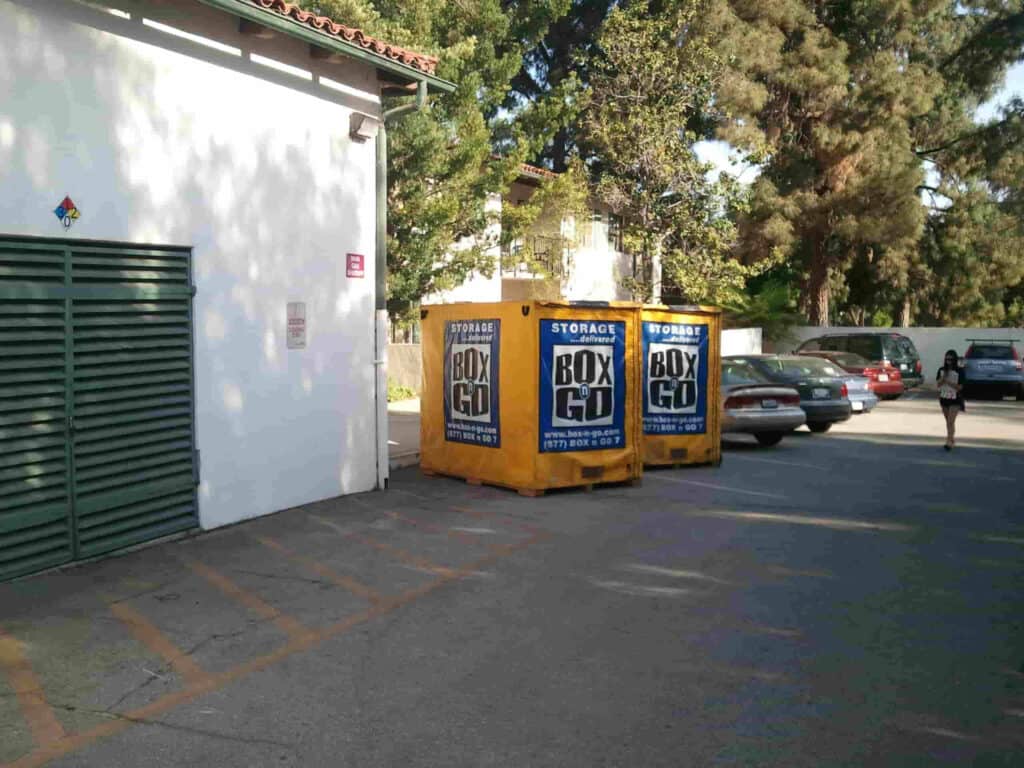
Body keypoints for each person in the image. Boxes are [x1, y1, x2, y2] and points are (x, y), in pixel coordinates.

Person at [936, 349, 964, 450]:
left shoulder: (960, 371)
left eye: (951, 360)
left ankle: (949, 441)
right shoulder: (941, 370)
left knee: (950, 421)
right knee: (948, 421)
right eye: (947, 359)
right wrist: (943, 378)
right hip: (944, 398)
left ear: (955, 360)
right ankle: (951, 439)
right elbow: (938, 385)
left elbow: (960, 387)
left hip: (955, 398)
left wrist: (948, 382)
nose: (949, 362)